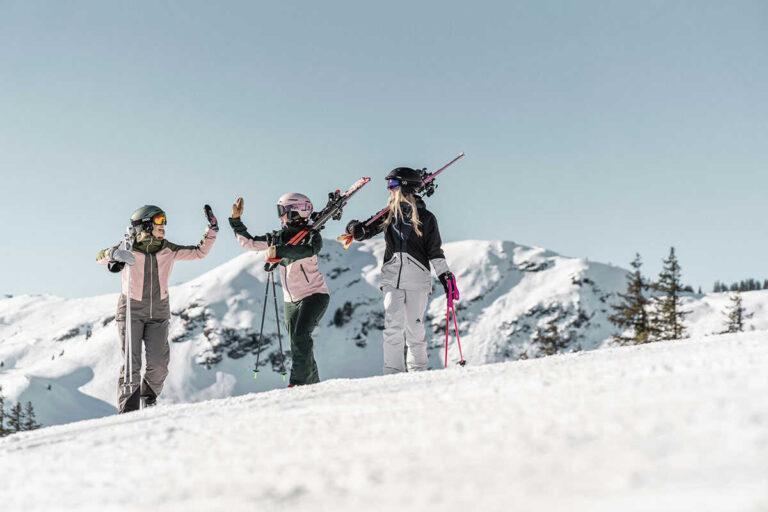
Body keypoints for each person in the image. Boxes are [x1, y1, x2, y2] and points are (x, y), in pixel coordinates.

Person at [97, 204, 218, 412]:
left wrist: (212, 230)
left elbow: (199, 252)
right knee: (131, 364)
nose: (164, 225)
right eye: (159, 220)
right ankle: (128, 409)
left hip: (159, 313)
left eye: (165, 221)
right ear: (145, 224)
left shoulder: (168, 250)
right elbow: (101, 257)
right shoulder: (128, 246)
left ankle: (149, 394)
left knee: (160, 363)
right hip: (131, 312)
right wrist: (114, 254)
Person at [345, 167, 456, 373]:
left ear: (405, 186)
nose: (389, 189)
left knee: (415, 329)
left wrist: (445, 275)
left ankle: (418, 373)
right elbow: (364, 232)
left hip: (417, 281)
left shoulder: (426, 217)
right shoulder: (388, 215)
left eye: (393, 185)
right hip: (392, 279)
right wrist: (353, 228)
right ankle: (392, 375)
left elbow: (434, 251)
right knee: (392, 328)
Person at [229, 194, 330, 386]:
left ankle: (298, 383)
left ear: (295, 211)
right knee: (297, 343)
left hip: (314, 295)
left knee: (301, 336)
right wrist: (236, 221)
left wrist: (280, 252)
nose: (280, 216)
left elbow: (307, 251)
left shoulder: (311, 235)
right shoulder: (277, 237)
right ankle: (313, 384)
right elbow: (250, 243)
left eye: (282, 211)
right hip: (290, 301)